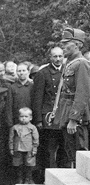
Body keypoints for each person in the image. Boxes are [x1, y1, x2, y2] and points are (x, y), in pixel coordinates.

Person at [53, 27, 90, 167]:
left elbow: (82, 94)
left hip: (77, 115)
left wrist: (74, 119)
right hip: (67, 110)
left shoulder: (82, 64)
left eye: (67, 43)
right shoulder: (70, 63)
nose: (63, 46)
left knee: (80, 152)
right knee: (71, 151)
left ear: (78, 45)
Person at [32, 46, 66, 178]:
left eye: (60, 56)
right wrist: (38, 120)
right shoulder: (43, 73)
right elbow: (37, 98)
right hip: (48, 117)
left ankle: (63, 177)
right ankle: (48, 177)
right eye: (55, 56)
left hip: (63, 115)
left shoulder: (68, 71)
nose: (58, 59)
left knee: (64, 148)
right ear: (50, 58)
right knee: (49, 149)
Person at [9, 107, 39, 185]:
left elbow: (36, 139)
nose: (23, 119)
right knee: (18, 164)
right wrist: (11, 148)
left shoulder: (32, 128)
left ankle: (28, 179)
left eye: (26, 117)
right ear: (18, 117)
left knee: (29, 164)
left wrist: (34, 149)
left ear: (30, 118)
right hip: (18, 149)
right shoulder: (15, 127)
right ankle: (19, 179)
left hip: (29, 149)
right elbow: (11, 139)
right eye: (21, 116)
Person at [5, 62, 34, 128]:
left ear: (28, 72)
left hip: (30, 121)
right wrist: (10, 122)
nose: (21, 73)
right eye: (19, 71)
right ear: (16, 72)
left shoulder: (33, 86)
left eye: (24, 70)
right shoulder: (12, 87)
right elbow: (9, 106)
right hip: (16, 120)